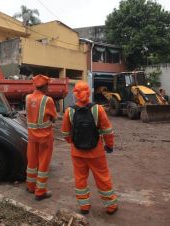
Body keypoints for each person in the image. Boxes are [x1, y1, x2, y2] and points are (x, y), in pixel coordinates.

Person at [61, 81, 118, 215]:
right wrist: (109, 145)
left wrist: (74, 143)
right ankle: (110, 206)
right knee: (103, 178)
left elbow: (65, 133)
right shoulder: (98, 109)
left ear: (75, 94)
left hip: (77, 153)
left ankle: (84, 206)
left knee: (80, 179)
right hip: (96, 152)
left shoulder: (69, 111)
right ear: (88, 93)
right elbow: (107, 131)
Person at [25, 74, 58, 200]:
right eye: (48, 85)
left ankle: (30, 186)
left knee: (32, 162)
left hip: (32, 136)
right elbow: (54, 118)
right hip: (45, 137)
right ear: (44, 86)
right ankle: (40, 192)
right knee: (43, 165)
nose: (48, 88)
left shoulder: (28, 98)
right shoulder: (47, 100)